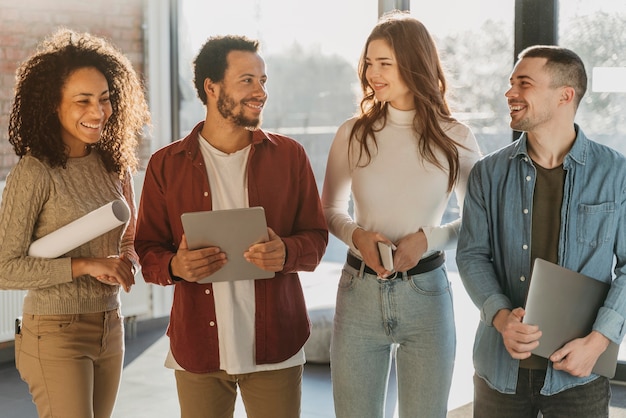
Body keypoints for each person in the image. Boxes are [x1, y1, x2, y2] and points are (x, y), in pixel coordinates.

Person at [134, 34, 328, 418]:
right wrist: (176, 266)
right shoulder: (165, 165)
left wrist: (287, 252)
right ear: (211, 87)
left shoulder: (290, 157)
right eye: (247, 80)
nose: (261, 92)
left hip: (277, 347)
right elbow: (147, 250)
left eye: (263, 81)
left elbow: (317, 238)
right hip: (198, 351)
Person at [321, 11, 481, 418]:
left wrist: (430, 238)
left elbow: (479, 220)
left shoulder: (456, 137)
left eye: (385, 63)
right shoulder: (352, 133)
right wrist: (358, 236)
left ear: (414, 63)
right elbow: (330, 210)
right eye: (369, 63)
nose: (373, 73)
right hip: (359, 293)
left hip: (426, 296)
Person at [456, 45, 626, 417]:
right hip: (499, 372)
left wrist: (598, 343)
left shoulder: (617, 173)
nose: (510, 93)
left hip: (579, 376)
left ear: (565, 95)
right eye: (511, 82)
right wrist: (501, 318)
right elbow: (471, 255)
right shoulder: (488, 173)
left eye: (524, 83)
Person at [0, 28, 150, 418]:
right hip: (54, 331)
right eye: (82, 101)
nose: (98, 112)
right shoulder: (35, 172)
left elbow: (129, 237)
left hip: (109, 324)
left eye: (104, 99)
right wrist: (86, 265)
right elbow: (4, 268)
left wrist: (127, 262)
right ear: (53, 104)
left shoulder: (114, 165)